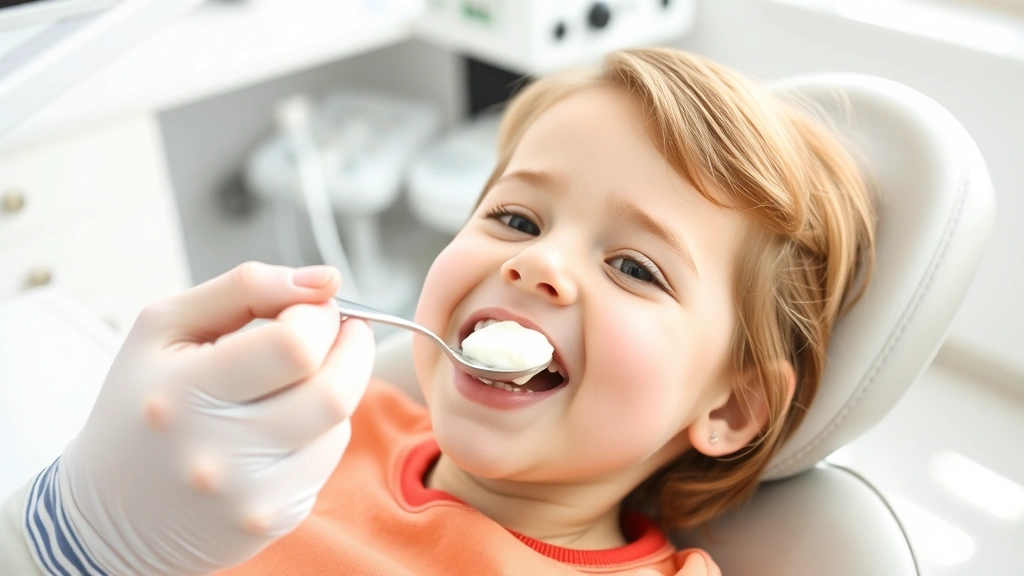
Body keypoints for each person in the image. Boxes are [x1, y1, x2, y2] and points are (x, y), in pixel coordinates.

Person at [1, 47, 875, 575]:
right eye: (516, 217)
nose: (536, 262)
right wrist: (81, 523)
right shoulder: (329, 423)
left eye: (636, 267)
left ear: (728, 407)